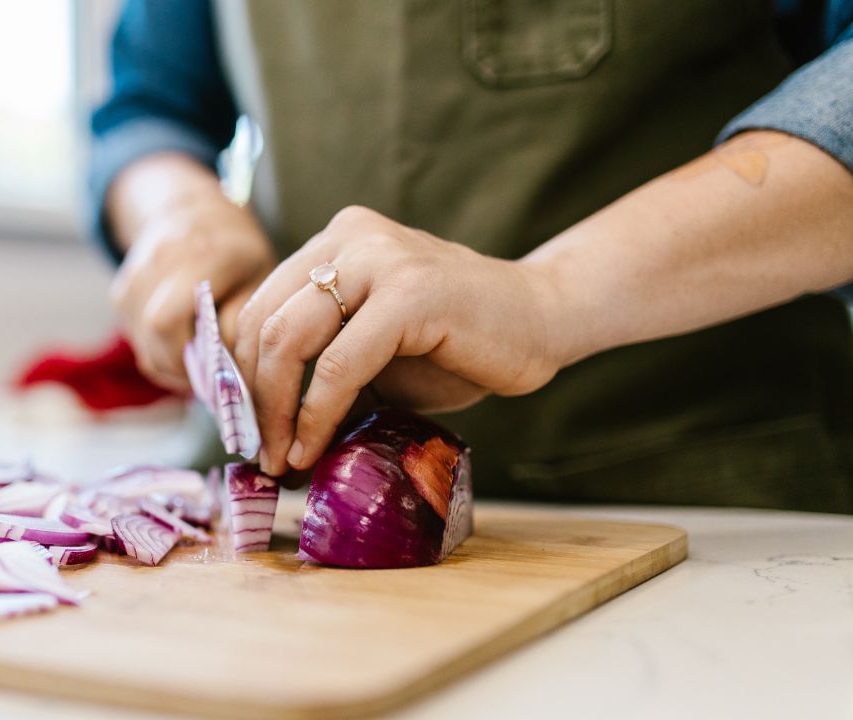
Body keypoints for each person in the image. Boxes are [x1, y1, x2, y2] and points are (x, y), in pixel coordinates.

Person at [89, 0, 853, 512]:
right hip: (297, 502)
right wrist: (176, 211)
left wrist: (549, 296)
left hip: (704, 495)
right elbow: (149, 105)